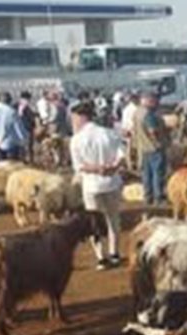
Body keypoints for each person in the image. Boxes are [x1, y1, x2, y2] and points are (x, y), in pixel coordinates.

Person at [69, 101, 123, 270]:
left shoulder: (76, 139)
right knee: (113, 219)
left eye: (74, 118)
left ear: (80, 117)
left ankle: (101, 257)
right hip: (112, 182)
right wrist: (111, 167)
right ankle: (114, 253)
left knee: (94, 222)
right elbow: (121, 155)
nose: (73, 121)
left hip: (91, 185)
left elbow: (79, 166)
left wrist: (97, 168)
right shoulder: (109, 133)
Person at [133, 92, 170, 206]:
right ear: (149, 100)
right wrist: (160, 139)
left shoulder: (137, 113)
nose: (157, 103)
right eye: (154, 100)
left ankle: (148, 197)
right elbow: (152, 130)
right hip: (154, 148)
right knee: (158, 173)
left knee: (146, 175)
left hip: (143, 148)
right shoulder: (149, 115)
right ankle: (158, 198)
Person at [0, 93, 27, 161]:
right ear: (10, 100)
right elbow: (19, 129)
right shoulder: (12, 112)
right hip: (11, 144)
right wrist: (24, 141)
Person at [18, 91, 39, 163]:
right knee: (27, 147)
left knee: (27, 146)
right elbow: (21, 117)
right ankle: (28, 161)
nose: (28, 101)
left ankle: (28, 160)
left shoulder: (24, 106)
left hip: (26, 128)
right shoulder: (22, 106)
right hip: (25, 128)